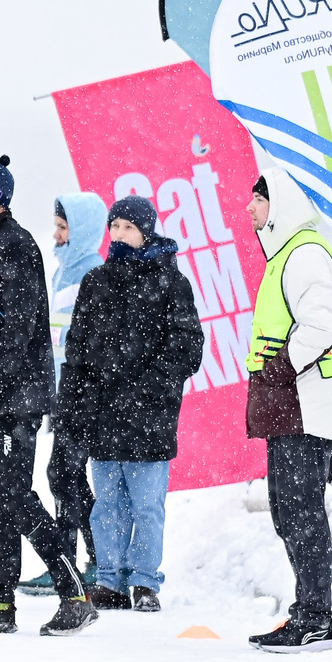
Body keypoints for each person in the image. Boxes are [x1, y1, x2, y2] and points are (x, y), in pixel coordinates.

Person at [0, 157, 97, 638]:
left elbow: (17, 332)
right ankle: (0, 602)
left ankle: (74, 594)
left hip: (14, 401)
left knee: (13, 495)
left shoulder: (15, 245)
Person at [57, 193, 206, 611]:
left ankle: (144, 581)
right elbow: (79, 350)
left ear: (146, 232)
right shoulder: (96, 282)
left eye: (128, 227)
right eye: (115, 227)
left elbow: (187, 348)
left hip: (150, 417)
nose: (120, 234)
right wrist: (75, 404)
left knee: (146, 505)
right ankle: (109, 579)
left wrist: (147, 389)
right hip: (104, 414)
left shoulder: (172, 283)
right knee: (106, 504)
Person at [243, 165, 332, 653]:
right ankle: (307, 612)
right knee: (288, 511)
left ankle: (315, 618)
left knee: (301, 511)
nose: (249, 207)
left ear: (279, 204)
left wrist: (276, 372)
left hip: (304, 405)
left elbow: (318, 329)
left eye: (258, 199)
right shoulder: (286, 253)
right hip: (290, 406)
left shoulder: (305, 253)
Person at [31, 190, 107, 594]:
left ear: (82, 232)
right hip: (63, 394)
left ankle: (83, 561)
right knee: (67, 475)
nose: (56, 235)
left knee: (65, 474)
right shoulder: (64, 272)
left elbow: (90, 342)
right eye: (57, 226)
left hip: (82, 396)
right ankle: (80, 560)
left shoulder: (92, 273)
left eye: (64, 228)